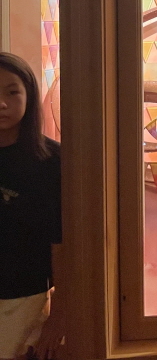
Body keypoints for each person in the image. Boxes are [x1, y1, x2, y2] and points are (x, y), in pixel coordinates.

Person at [0, 53, 64, 359]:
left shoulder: (52, 160)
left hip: (24, 299)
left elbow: (62, 244)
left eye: (12, 92)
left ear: (29, 96)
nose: (1, 103)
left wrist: (60, 314)